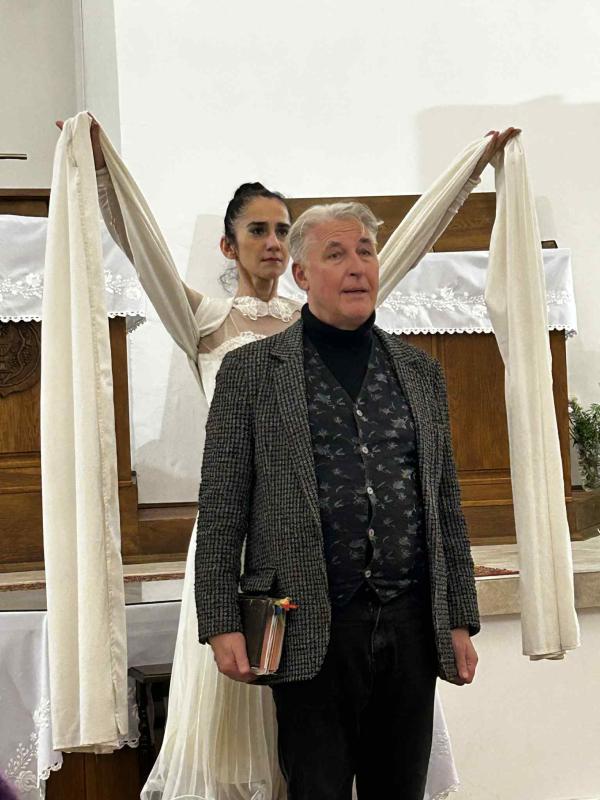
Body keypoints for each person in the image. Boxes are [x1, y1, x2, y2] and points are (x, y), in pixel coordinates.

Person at [55, 116, 515, 800]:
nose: (356, 265)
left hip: (408, 622)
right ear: (299, 269)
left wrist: (458, 618)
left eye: (365, 252)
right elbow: (222, 503)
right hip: (295, 610)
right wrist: (219, 620)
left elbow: (443, 504)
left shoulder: (418, 371)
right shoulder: (235, 352)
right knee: (309, 782)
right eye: (335, 253)